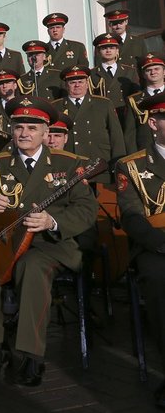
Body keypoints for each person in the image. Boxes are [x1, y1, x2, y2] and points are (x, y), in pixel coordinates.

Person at [0, 97, 96, 386]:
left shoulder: (69, 164)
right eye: (18, 126)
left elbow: (87, 211)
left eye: (32, 128)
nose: (24, 133)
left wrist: (52, 222)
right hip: (5, 241)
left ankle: (29, 354)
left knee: (33, 267)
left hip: (50, 245)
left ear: (46, 133)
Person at [115, 92, 165, 409]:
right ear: (152, 122)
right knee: (160, 281)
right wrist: (160, 243)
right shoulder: (131, 166)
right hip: (156, 245)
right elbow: (131, 216)